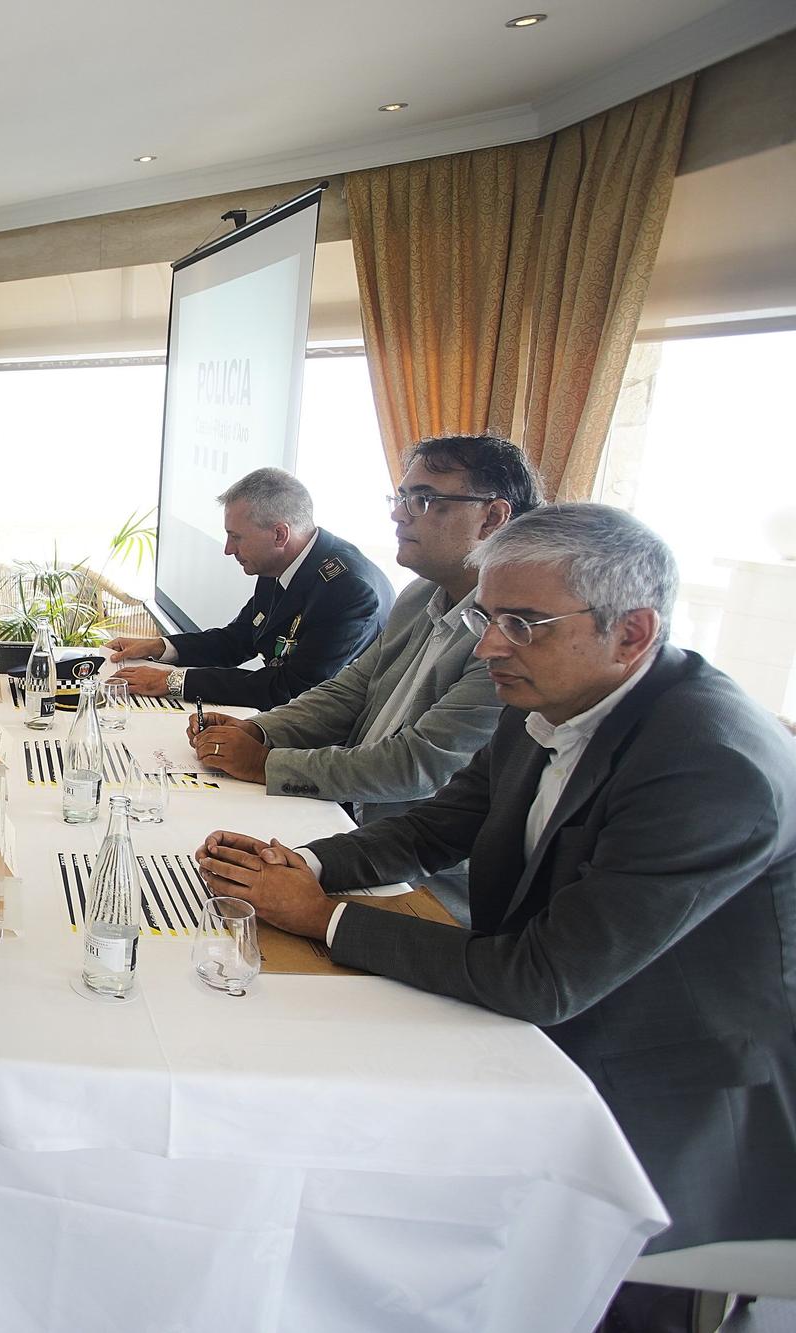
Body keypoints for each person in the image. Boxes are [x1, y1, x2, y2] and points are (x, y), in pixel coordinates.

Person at [195, 504, 796, 1314]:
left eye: (522, 621)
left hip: (674, 1101)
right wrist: (295, 863)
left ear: (633, 631)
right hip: (562, 1014)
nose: (487, 646)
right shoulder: (552, 690)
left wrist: (321, 915)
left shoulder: (710, 766)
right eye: (485, 615)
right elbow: (441, 822)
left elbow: (543, 979)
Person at [185, 436, 540, 923]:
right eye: (400, 498)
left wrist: (268, 763)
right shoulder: (421, 596)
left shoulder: (509, 636)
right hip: (350, 825)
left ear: (492, 517)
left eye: (423, 500)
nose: (399, 515)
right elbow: (349, 690)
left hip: (425, 879)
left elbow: (418, 765)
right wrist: (260, 731)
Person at [108, 467, 393, 708]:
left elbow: (293, 688)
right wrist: (160, 647)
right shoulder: (280, 561)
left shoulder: (348, 590)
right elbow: (239, 639)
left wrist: (172, 681)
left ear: (279, 534)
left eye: (236, 537)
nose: (229, 550)